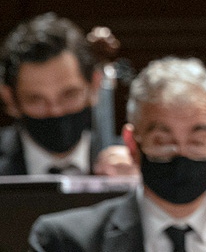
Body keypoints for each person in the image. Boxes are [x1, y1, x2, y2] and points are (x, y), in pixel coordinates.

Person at [29, 56, 206, 251]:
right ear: (132, 144)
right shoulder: (65, 241)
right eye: (163, 142)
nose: (181, 154)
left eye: (198, 141)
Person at [0, 13, 136, 176]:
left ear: (94, 86)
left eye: (69, 95)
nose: (56, 111)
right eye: (36, 99)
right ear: (10, 99)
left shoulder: (134, 161)